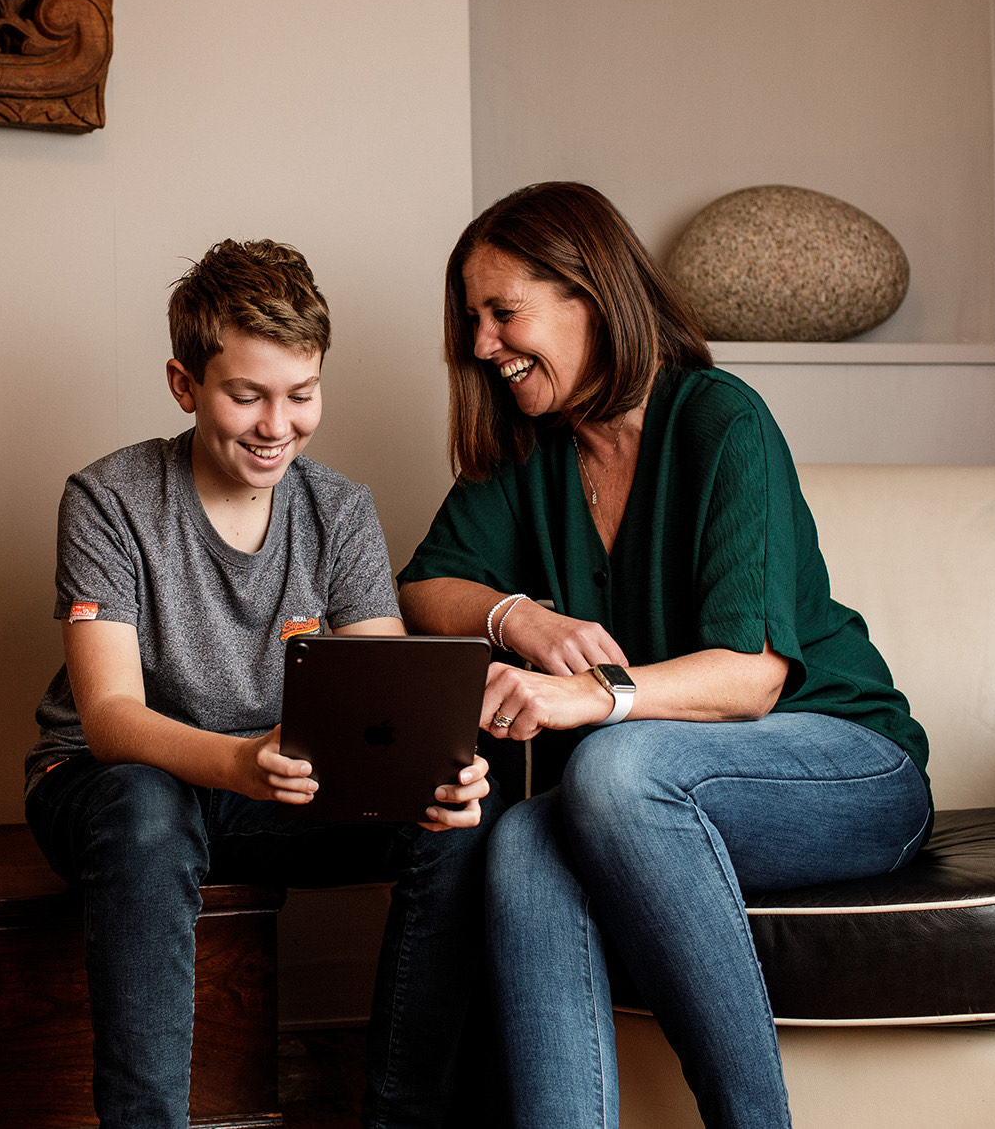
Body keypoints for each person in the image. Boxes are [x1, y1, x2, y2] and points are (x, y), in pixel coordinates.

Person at [396, 183, 931, 1129]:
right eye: (472, 320)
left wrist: (589, 697)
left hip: (844, 765)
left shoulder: (721, 419)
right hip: (661, 791)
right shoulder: (534, 452)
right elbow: (426, 586)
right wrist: (520, 616)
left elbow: (753, 673)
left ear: (590, 295)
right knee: (520, 839)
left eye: (503, 313)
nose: (482, 345)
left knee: (609, 768)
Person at [24, 239, 495, 1129]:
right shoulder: (108, 498)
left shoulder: (340, 508)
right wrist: (239, 761)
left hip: (280, 783)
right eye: (247, 395)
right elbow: (112, 717)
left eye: (301, 394)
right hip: (119, 787)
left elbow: (386, 695)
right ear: (183, 383)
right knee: (144, 808)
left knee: (468, 819)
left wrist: (441, 763)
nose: (277, 423)